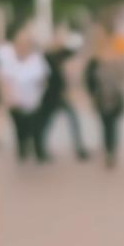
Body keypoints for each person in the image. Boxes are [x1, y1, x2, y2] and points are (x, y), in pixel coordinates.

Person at [0, 24, 50, 163]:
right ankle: (22, 150)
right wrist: (7, 98)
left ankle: (39, 152)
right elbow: (3, 80)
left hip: (35, 103)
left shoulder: (37, 58)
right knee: (21, 130)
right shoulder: (8, 59)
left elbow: (44, 78)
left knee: (37, 129)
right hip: (16, 103)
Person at [84, 20, 124, 169]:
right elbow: (89, 78)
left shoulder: (118, 49)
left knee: (111, 125)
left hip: (114, 96)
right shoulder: (96, 57)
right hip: (102, 96)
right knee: (107, 124)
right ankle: (109, 150)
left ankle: (110, 151)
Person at [41, 27, 90, 162]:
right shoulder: (47, 55)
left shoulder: (66, 53)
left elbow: (78, 60)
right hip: (52, 94)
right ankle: (41, 149)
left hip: (63, 94)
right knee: (47, 123)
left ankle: (79, 148)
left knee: (73, 121)